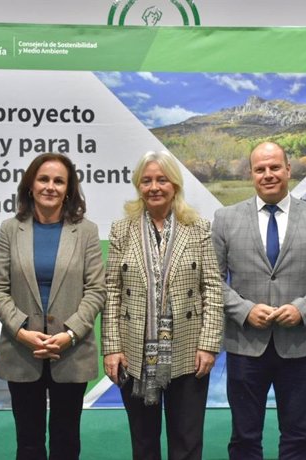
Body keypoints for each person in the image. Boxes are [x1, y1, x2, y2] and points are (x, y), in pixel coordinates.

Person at [211, 141, 306, 460]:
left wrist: (302, 308)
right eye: (260, 169)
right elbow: (211, 280)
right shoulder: (225, 218)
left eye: (274, 167)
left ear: (288, 170)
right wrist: (244, 310)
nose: (268, 174)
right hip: (245, 345)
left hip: (300, 345)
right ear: (251, 174)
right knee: (244, 436)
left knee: (298, 436)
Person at [101, 151, 223, 460]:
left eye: (162, 179)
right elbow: (112, 290)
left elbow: (212, 288)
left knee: (187, 440)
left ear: (175, 185)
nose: (154, 187)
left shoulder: (198, 228)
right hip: (134, 352)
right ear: (138, 186)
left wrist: (208, 345)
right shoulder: (121, 230)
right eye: (147, 180)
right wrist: (112, 347)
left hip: (188, 350)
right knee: (143, 442)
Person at [0, 153, 106, 460]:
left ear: (69, 189)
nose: (50, 187)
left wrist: (70, 334)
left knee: (67, 441)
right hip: (22, 350)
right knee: (28, 442)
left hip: (71, 351)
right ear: (30, 185)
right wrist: (21, 331)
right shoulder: (10, 229)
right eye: (43, 179)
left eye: (58, 181)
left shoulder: (87, 232)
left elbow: (96, 289)